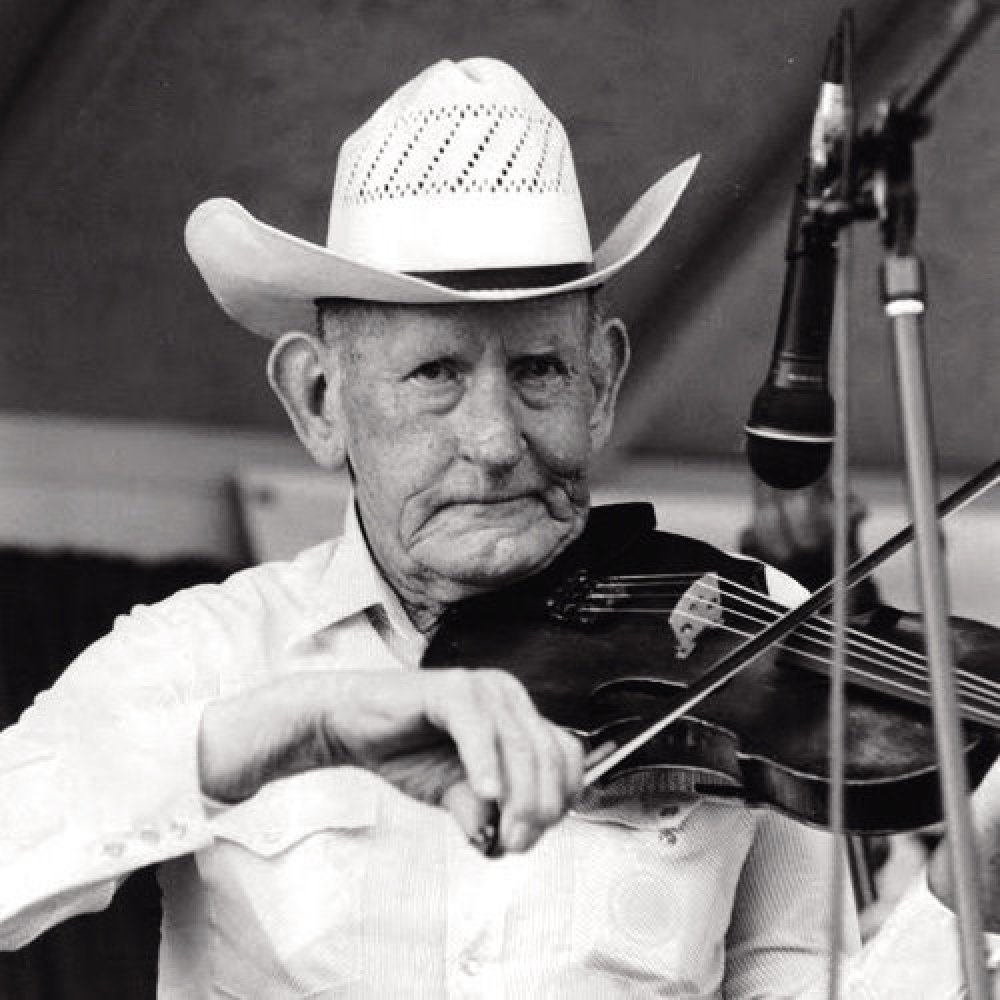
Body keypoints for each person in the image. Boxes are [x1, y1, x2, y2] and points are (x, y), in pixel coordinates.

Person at [0, 57, 998, 999]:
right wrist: (293, 723)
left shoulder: (760, 640)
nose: (493, 441)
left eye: (539, 371)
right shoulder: (203, 650)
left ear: (601, 383)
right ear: (318, 399)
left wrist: (968, 911)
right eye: (436, 374)